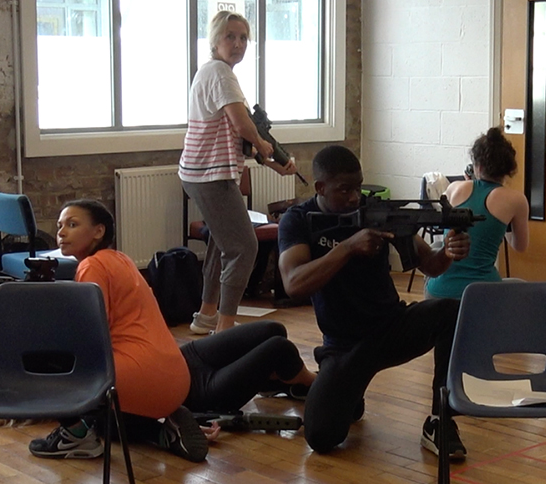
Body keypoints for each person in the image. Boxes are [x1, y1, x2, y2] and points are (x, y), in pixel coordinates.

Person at [277, 145, 472, 459]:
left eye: (358, 187)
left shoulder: (377, 213)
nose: (354, 197)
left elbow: (432, 266)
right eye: (344, 190)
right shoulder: (297, 220)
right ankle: (349, 393)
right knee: (321, 436)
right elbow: (293, 283)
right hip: (343, 346)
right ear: (320, 188)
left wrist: (448, 252)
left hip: (391, 328)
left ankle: (441, 420)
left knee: (451, 312)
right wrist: (348, 248)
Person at [28, 200, 209, 463]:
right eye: (59, 226)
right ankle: (164, 434)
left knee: (36, 354)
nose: (61, 232)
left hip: (136, 377)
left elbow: (90, 336)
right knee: (100, 417)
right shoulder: (120, 258)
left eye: (72, 224)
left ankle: (75, 436)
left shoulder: (91, 266)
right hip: (176, 380)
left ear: (99, 231)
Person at [180, 10, 297, 335]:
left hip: (203, 172)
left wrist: (274, 162)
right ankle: (225, 328)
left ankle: (206, 316)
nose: (238, 43)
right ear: (214, 41)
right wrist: (263, 143)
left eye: (243, 37)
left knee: (222, 242)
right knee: (244, 247)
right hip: (209, 174)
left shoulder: (216, 72)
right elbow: (242, 125)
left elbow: (242, 139)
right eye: (230, 36)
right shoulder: (220, 73)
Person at [425, 127, 529, 299]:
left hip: (437, 294)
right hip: (481, 296)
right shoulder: (516, 200)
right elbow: (520, 246)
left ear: (477, 166)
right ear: (508, 168)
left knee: (436, 248)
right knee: (519, 284)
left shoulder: (454, 188)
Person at [179, 320, 316, 440]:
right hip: (193, 392)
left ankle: (271, 382)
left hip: (185, 357)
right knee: (280, 348)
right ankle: (316, 383)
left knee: (273, 329)